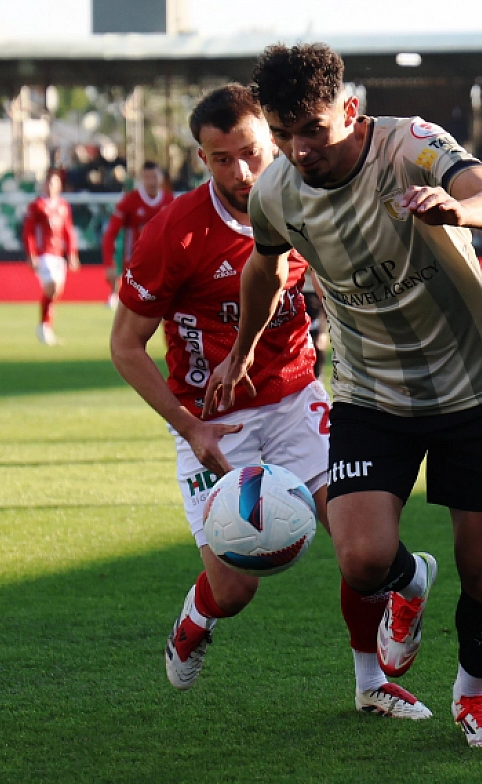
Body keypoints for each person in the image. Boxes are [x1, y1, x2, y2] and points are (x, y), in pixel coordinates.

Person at [210, 43, 482, 748]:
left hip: (475, 386)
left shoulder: (409, 145)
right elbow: (264, 267)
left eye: (313, 130)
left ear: (350, 111)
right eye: (284, 134)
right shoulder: (275, 192)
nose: (299, 149)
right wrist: (243, 347)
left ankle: (473, 695)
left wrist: (459, 207)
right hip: (370, 393)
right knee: (361, 559)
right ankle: (410, 588)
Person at [107, 85, 376, 706]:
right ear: (202, 158)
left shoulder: (307, 196)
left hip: (296, 397)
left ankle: (372, 683)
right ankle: (195, 620)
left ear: (273, 142)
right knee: (235, 590)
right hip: (214, 423)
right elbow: (125, 346)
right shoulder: (173, 233)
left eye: (251, 152)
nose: (242, 172)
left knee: (363, 547)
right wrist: (189, 426)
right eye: (222, 159)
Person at [101, 160, 170, 310]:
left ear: (161, 178)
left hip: (161, 264)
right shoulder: (130, 201)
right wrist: (108, 263)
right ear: (141, 179)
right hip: (134, 264)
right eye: (147, 177)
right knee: (133, 310)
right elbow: (110, 233)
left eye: (154, 177)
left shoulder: (169, 201)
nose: (151, 182)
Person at [22, 169, 79, 344]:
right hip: (43, 254)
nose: (51, 186)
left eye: (54, 183)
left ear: (59, 185)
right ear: (44, 184)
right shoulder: (37, 205)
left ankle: (45, 326)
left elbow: (68, 230)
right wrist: (31, 254)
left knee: (55, 292)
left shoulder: (63, 206)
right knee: (52, 286)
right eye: (48, 182)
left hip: (58, 254)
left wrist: (72, 253)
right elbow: (28, 231)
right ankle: (44, 327)